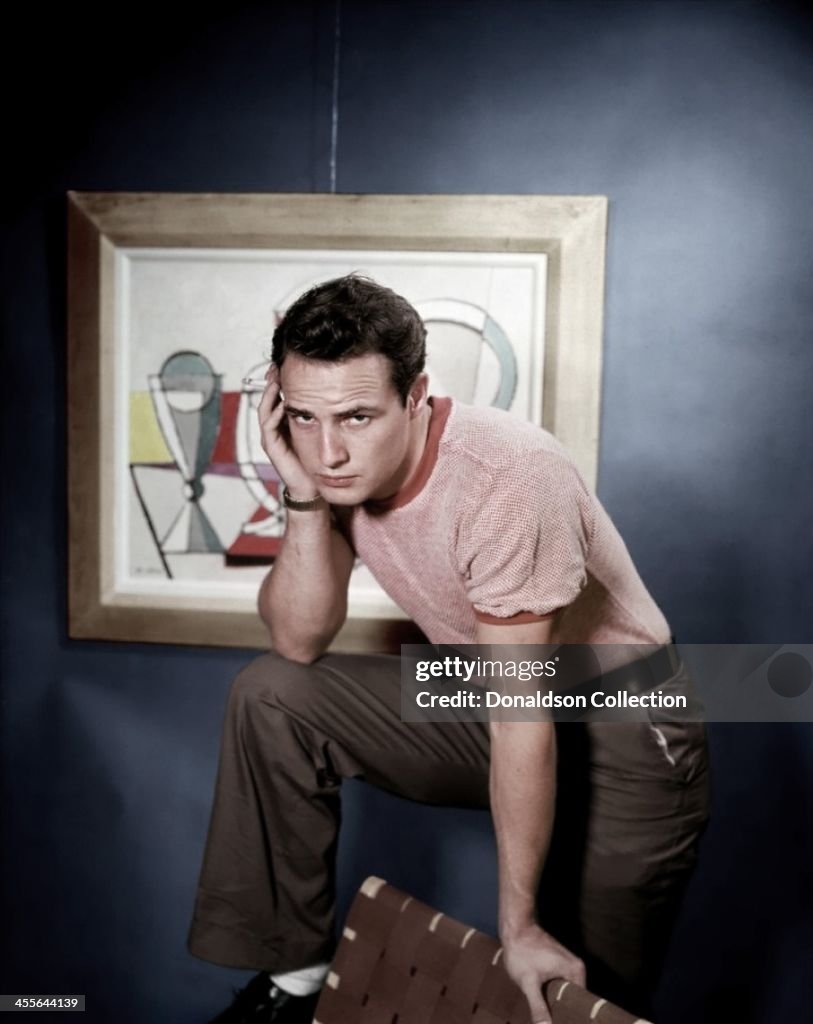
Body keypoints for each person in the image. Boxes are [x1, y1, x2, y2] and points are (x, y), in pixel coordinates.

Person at [188, 274, 710, 1024]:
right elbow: (297, 639)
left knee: (575, 997)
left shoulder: (508, 477)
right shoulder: (329, 472)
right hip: (487, 691)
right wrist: (301, 497)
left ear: (417, 396)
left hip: (623, 723)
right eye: (303, 416)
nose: (329, 449)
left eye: (357, 416)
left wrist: (519, 927)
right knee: (273, 693)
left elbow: (518, 714)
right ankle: (295, 976)